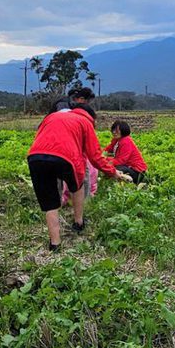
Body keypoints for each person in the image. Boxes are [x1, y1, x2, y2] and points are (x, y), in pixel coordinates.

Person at [27, 103, 127, 251]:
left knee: (49, 201)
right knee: (77, 185)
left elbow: (40, 137)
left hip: (36, 157)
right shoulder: (85, 122)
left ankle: (55, 244)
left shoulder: (51, 116)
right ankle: (78, 222)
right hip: (66, 158)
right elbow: (95, 156)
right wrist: (113, 172)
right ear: (90, 117)